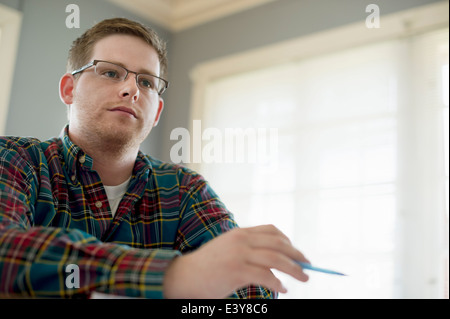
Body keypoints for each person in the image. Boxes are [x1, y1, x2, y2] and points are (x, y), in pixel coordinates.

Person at [0, 18, 309, 299]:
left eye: (146, 82)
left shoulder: (185, 190)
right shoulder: (14, 160)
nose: (131, 89)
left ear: (157, 111)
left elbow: (251, 297)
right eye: (110, 72)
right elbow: (6, 254)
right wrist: (176, 276)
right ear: (69, 89)